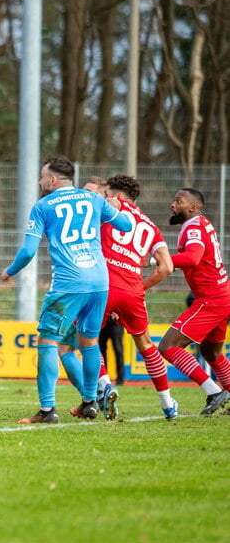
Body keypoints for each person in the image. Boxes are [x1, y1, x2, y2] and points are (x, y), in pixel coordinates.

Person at [0, 155, 132, 424]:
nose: (39, 181)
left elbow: (27, 252)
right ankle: (89, 402)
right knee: (89, 343)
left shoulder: (43, 206)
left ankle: (47, 410)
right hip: (99, 282)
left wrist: (9, 271)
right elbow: (126, 226)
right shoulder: (95, 200)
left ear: (52, 179)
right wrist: (114, 205)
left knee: (48, 343)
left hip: (68, 284)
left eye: (41, 176)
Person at [98, 174, 177, 418]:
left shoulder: (112, 206)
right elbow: (167, 267)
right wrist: (139, 287)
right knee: (145, 345)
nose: (105, 198)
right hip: (132, 289)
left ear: (119, 197)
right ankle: (167, 403)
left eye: (107, 194)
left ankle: (104, 387)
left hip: (104, 284)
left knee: (86, 339)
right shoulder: (151, 227)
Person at [156, 188, 230, 415]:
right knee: (211, 352)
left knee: (168, 346)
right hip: (220, 295)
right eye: (174, 200)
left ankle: (214, 391)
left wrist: (157, 260)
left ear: (193, 207)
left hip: (212, 298)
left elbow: (193, 257)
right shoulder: (197, 224)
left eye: (179, 201)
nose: (173, 204)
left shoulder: (195, 226)